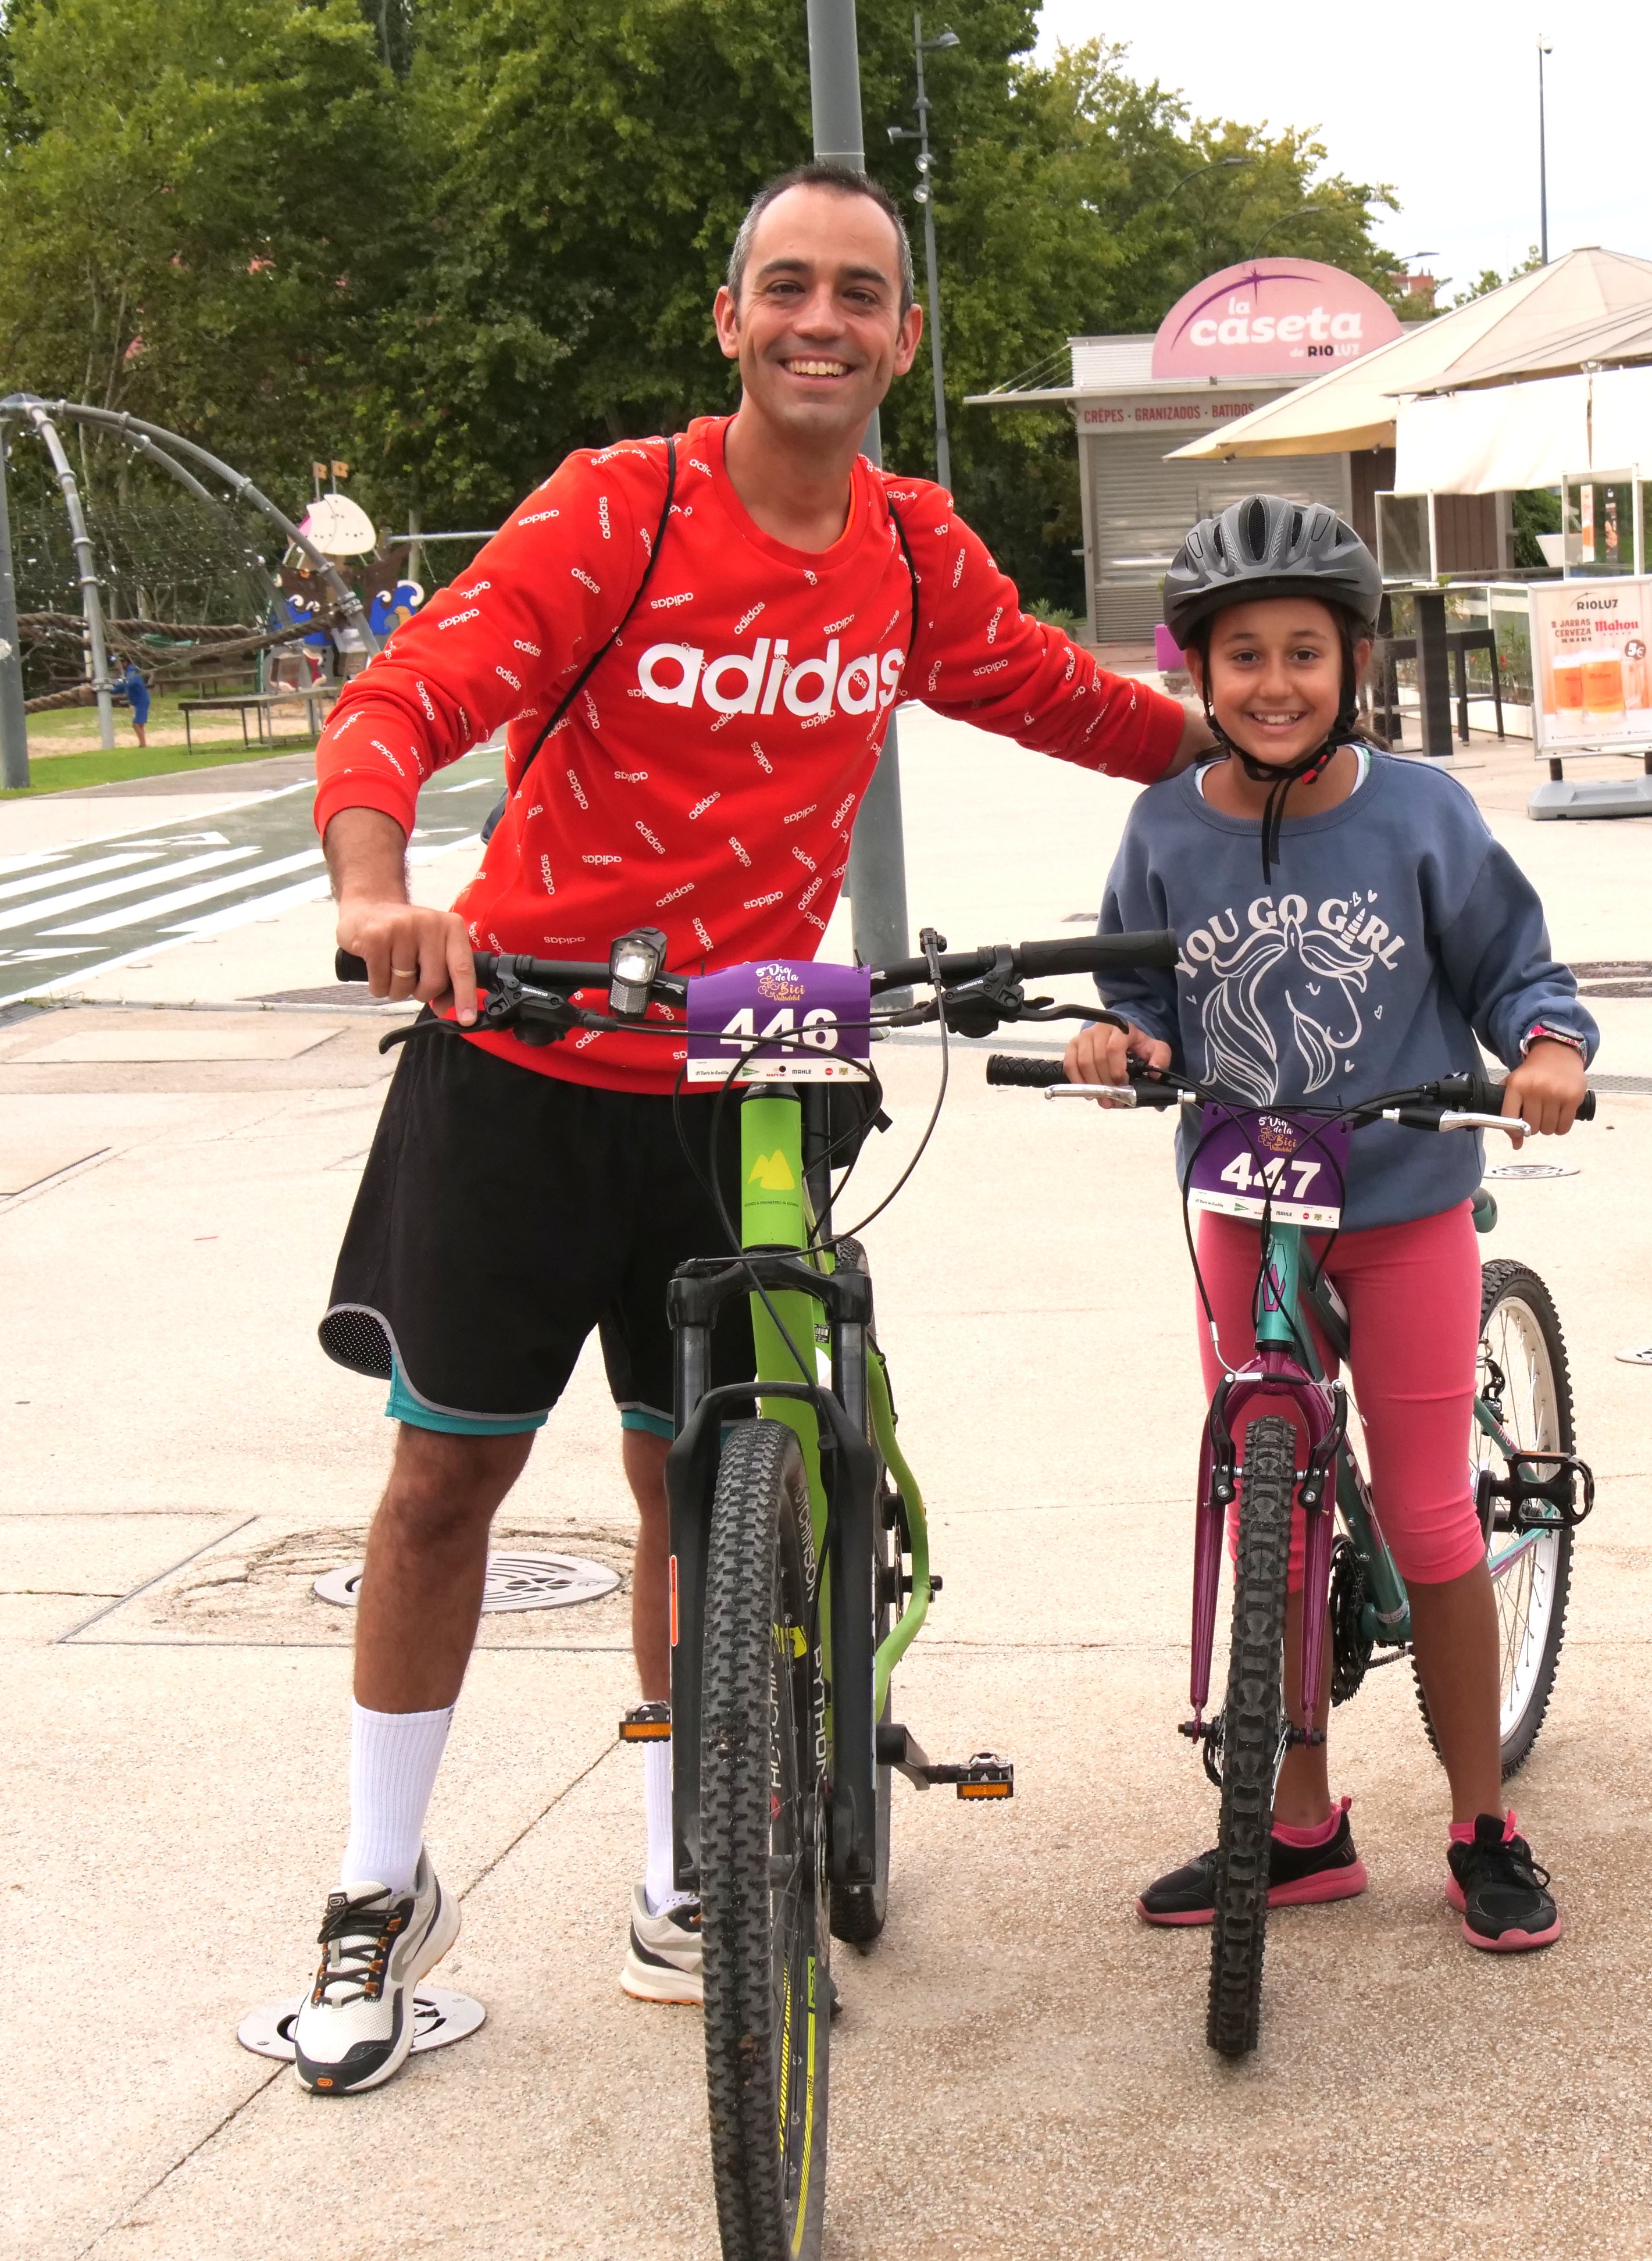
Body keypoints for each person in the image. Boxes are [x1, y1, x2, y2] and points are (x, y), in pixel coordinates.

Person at [295, 159, 1215, 2098]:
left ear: (899, 337)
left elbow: (1058, 693)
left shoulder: (904, 546)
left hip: (745, 1091)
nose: (820, 320)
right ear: (730, 321)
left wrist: (1264, 743)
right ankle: (379, 1879)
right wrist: (384, 891)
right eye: (784, 287)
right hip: (523, 1062)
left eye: (858, 294)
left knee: (690, 1495)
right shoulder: (616, 507)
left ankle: (684, 1871)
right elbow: (406, 697)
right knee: (439, 1487)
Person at [1060, 495, 1596, 1954]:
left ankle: (1481, 1818)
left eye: (1304, 651)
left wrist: (1546, 1049)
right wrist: (1117, 1044)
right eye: (1243, 656)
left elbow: (1510, 967)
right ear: (1198, 672)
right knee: (1268, 1506)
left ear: (1354, 660)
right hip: (1243, 1205)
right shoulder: (1165, 823)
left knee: (1428, 1516)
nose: (1275, 682)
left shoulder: (1419, 808)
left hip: (1403, 1202)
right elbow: (1137, 993)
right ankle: (1296, 1824)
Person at [113, 659, 150, 749]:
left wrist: (119, 683)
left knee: (136, 724)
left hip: (142, 701)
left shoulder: (132, 671)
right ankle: (143, 744)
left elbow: (130, 683)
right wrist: (110, 689)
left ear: (125, 663)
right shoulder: (127, 674)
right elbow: (121, 687)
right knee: (139, 724)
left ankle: (143, 745)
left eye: (117, 663)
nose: (115, 666)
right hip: (138, 702)